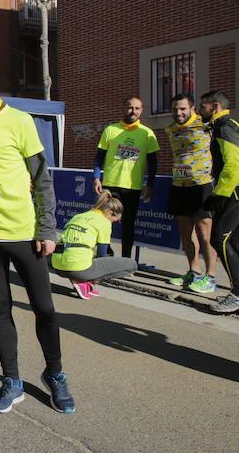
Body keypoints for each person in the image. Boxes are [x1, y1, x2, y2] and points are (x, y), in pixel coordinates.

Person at [0, 51, 73, 414]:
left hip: (25, 234)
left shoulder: (19, 121)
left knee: (45, 310)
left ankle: (55, 374)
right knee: (0, 311)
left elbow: (42, 180)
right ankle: (12, 380)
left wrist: (47, 227)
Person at [93, 97, 159, 258]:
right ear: (124, 108)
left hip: (133, 187)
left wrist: (150, 184)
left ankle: (126, 259)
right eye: (130, 108)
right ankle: (104, 254)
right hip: (110, 184)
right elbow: (99, 156)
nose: (133, 111)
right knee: (104, 222)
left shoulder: (147, 133)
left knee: (128, 225)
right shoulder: (111, 130)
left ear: (142, 111)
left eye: (137, 108)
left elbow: (153, 162)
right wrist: (96, 177)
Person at [164, 93, 217, 293]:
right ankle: (193, 272)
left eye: (183, 109)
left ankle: (210, 277)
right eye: (175, 109)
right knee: (186, 232)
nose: (179, 113)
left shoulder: (205, 125)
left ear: (192, 108)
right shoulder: (170, 129)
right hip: (179, 185)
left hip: (202, 186)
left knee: (205, 234)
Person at [198, 90, 239, 314]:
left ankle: (238, 294)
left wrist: (218, 196)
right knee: (235, 243)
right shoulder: (225, 125)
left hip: (233, 191)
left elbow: (233, 165)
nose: (198, 110)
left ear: (214, 107)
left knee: (219, 239)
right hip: (234, 190)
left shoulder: (225, 126)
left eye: (202, 106)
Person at [52, 191, 137, 298]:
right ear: (110, 213)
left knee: (86, 251)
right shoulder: (104, 222)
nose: (112, 223)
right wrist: (98, 277)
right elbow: (102, 254)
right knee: (131, 265)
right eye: (114, 220)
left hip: (57, 265)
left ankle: (80, 278)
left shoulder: (79, 216)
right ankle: (82, 279)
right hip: (76, 267)